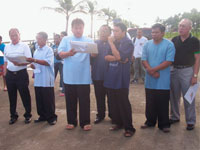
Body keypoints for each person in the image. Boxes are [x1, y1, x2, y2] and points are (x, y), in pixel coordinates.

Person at [58, 18, 93, 131]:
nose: (78, 30)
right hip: (69, 76)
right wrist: (69, 53)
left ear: (83, 28)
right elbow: (60, 54)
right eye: (76, 28)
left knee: (84, 101)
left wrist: (93, 52)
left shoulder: (88, 40)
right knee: (70, 101)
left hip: (84, 76)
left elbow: (94, 55)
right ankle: (71, 121)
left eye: (80, 28)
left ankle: (85, 122)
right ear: (72, 29)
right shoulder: (66, 39)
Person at [141, 23, 175, 133]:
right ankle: (150, 122)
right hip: (150, 80)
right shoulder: (147, 44)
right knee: (150, 102)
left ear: (162, 33)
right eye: (152, 32)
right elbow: (144, 59)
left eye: (156, 32)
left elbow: (169, 61)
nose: (154, 34)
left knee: (163, 102)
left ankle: (164, 124)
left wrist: (153, 70)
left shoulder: (169, 45)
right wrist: (151, 70)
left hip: (162, 80)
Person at [104, 22, 136, 137]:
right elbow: (106, 57)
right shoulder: (113, 41)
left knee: (123, 103)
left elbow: (118, 57)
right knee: (113, 103)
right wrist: (118, 58)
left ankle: (129, 128)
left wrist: (112, 46)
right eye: (113, 31)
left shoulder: (128, 43)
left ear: (123, 31)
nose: (114, 33)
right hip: (110, 77)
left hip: (121, 79)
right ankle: (118, 123)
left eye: (117, 31)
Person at [170, 19, 200, 130]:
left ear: (189, 28)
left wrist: (195, 75)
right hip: (174, 70)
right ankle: (174, 116)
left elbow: (197, 59)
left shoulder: (194, 41)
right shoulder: (174, 40)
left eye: (183, 26)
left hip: (187, 71)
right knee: (173, 96)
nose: (180, 28)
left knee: (189, 97)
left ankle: (190, 120)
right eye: (179, 26)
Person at [27, 32, 57, 125]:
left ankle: (51, 117)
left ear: (45, 39)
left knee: (48, 99)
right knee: (39, 98)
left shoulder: (49, 50)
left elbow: (48, 62)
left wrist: (35, 60)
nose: (37, 40)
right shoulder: (36, 51)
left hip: (46, 79)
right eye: (37, 38)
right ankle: (42, 116)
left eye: (39, 38)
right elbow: (35, 64)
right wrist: (32, 65)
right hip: (38, 78)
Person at [4, 28, 32, 125]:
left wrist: (20, 64)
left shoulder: (24, 46)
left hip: (21, 74)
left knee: (25, 95)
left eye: (15, 35)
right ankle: (13, 115)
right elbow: (5, 61)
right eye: (12, 35)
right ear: (9, 36)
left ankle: (28, 115)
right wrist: (5, 73)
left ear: (19, 34)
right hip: (10, 74)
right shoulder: (7, 47)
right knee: (11, 96)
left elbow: (29, 60)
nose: (14, 37)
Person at [91, 25, 112, 124]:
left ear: (109, 33)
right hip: (97, 75)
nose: (103, 33)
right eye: (101, 31)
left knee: (111, 97)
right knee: (99, 97)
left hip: (110, 76)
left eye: (105, 31)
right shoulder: (94, 43)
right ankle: (100, 115)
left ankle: (113, 115)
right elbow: (90, 59)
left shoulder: (113, 43)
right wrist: (91, 55)